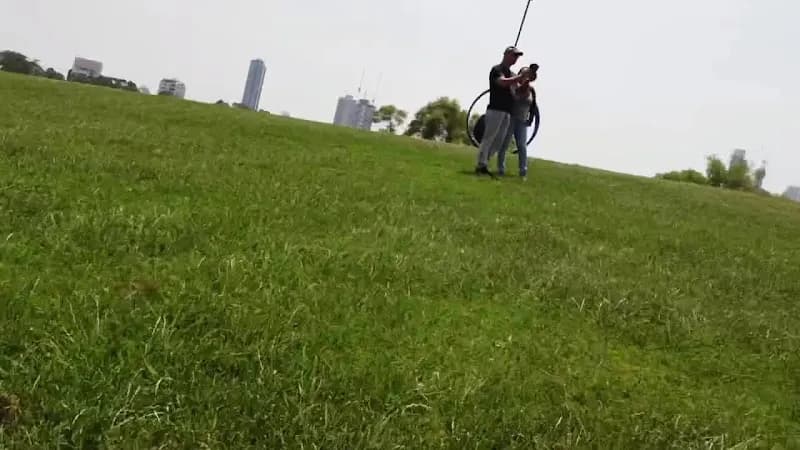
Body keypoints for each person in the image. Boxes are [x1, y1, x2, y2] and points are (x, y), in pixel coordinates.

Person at [475, 46, 529, 177]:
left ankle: (485, 163)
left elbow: (516, 94)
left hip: (507, 112)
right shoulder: (497, 70)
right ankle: (481, 164)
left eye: (517, 57)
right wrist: (518, 78)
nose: (515, 58)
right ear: (506, 55)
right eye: (513, 55)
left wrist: (525, 84)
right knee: (489, 138)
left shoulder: (511, 74)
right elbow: (502, 83)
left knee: (498, 142)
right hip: (495, 109)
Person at [497, 64, 538, 179]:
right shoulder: (513, 85)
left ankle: (523, 171)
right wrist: (523, 86)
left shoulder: (531, 90)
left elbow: (533, 106)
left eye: (529, 74)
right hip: (511, 118)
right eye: (525, 74)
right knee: (504, 144)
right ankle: (501, 168)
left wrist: (531, 119)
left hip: (522, 121)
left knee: (522, 146)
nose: (527, 76)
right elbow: (516, 95)